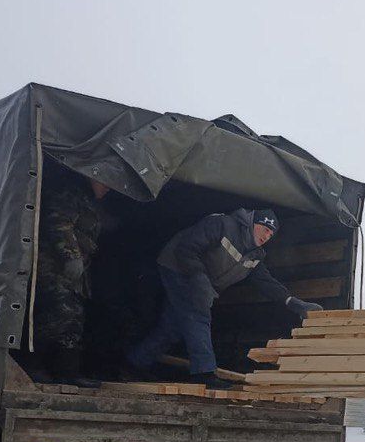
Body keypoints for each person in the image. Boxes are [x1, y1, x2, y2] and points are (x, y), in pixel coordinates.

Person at [126, 208, 324, 388]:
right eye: (264, 229)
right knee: (198, 314)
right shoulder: (223, 225)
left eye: (271, 234)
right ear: (253, 223)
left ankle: (134, 363)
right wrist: (199, 279)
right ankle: (204, 373)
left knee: (173, 327)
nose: (267, 236)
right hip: (177, 267)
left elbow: (267, 283)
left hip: (200, 280)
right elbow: (186, 248)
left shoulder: (255, 256)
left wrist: (293, 302)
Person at [35, 165, 110, 386]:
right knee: (54, 316)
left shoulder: (92, 202)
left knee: (73, 319)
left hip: (75, 273)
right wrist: (71, 256)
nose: (107, 189)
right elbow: (58, 222)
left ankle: (67, 373)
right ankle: (36, 366)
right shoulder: (70, 192)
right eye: (105, 183)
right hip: (54, 268)